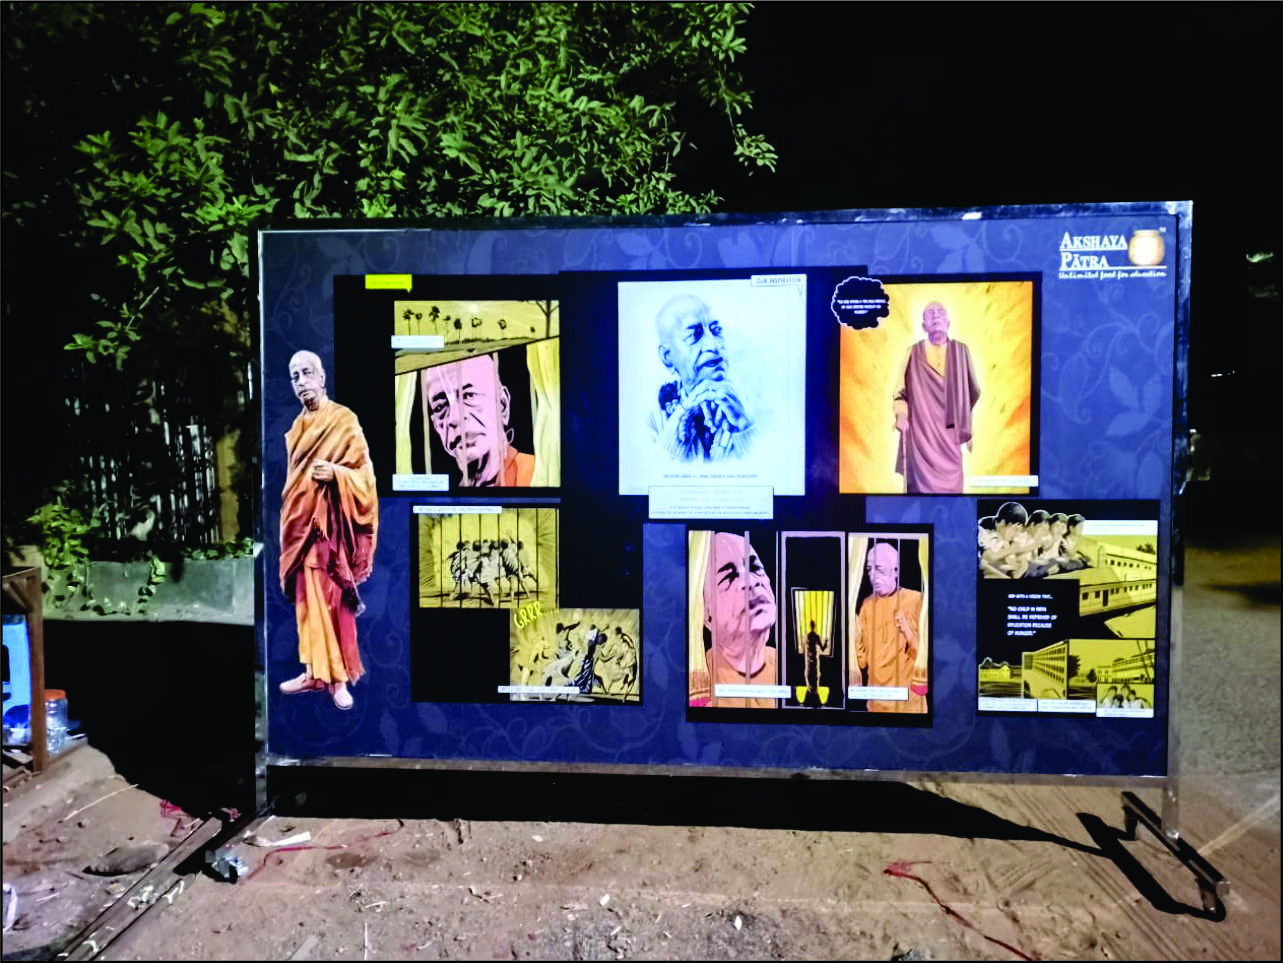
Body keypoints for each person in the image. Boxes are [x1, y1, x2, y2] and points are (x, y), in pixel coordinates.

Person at [278, 350, 379, 711]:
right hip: (301, 529)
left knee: (334, 605)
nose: (302, 381)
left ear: (322, 377)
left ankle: (337, 680)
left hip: (331, 535)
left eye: (307, 373)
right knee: (308, 606)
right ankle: (313, 672)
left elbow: (366, 478)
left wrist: (336, 474)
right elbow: (294, 484)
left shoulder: (344, 421)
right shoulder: (296, 430)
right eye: (295, 376)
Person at [649, 294, 754, 460]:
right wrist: (685, 410)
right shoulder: (652, 415)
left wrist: (744, 426)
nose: (714, 345)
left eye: (716, 331)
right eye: (694, 335)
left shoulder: (750, 405)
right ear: (667, 357)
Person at [892, 301, 981, 493]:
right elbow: (900, 393)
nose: (936, 316)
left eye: (940, 312)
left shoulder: (961, 351)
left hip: (950, 438)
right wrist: (901, 414)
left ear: (948, 322)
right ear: (924, 325)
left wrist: (966, 423)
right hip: (921, 437)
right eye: (930, 313)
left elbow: (973, 389)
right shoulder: (912, 353)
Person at [421, 353, 534, 486]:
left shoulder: (537, 477)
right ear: (436, 426)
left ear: (502, 405)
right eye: (440, 407)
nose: (454, 418)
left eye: (468, 395)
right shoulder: (448, 498)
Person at [700, 532, 778, 707]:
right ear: (708, 616)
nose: (750, 581)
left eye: (755, 568)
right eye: (729, 577)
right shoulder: (701, 674)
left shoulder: (789, 667)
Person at [853, 541, 923, 713]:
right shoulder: (867, 605)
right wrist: (853, 630)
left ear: (895, 570)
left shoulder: (915, 600)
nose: (873, 576)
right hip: (875, 707)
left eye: (879, 568)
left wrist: (907, 631)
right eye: (869, 569)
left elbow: (924, 659)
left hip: (908, 708)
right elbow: (862, 662)